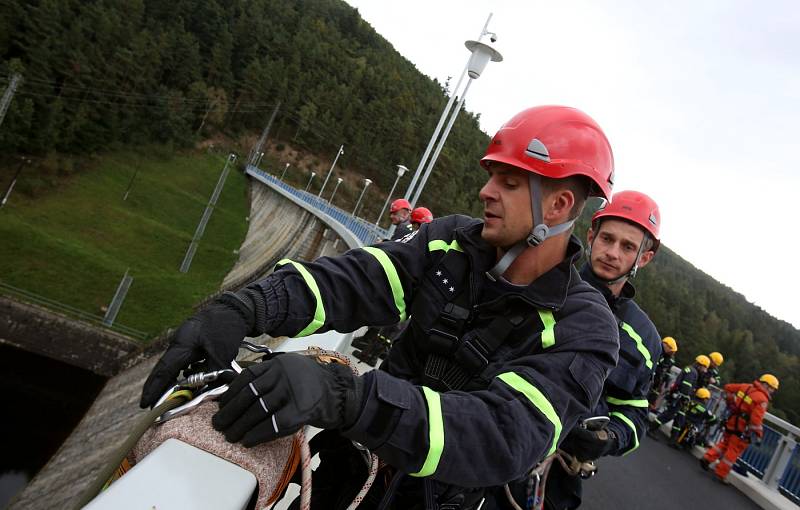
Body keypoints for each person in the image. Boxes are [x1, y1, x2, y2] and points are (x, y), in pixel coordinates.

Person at [140, 105, 620, 510]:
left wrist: (345, 397)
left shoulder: (585, 329)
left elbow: (499, 434)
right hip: (357, 468)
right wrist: (248, 306)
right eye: (493, 177)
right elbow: (357, 281)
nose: (486, 192)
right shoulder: (450, 243)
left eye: (510, 183)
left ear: (557, 206)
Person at [538, 190, 662, 510]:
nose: (612, 252)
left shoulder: (644, 338)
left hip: (557, 478)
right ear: (591, 236)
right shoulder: (543, 284)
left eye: (628, 246)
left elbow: (635, 413)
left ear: (643, 258)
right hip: (495, 440)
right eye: (607, 238)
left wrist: (608, 439)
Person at [700, 375, 779, 483]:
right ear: (765, 384)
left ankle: (708, 457)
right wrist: (757, 434)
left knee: (725, 443)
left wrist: (731, 401)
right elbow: (756, 419)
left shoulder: (745, 387)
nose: (772, 391)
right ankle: (720, 474)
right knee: (733, 450)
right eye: (772, 388)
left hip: (732, 420)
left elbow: (728, 387)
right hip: (742, 427)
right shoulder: (762, 399)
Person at [649, 354, 710, 438]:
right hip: (680, 397)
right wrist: (685, 397)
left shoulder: (690, 369)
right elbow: (686, 385)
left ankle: (672, 438)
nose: (705, 370)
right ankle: (651, 429)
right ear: (701, 365)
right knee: (668, 415)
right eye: (705, 367)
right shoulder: (693, 372)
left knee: (678, 418)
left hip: (678, 396)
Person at [648, 336, 678, 409]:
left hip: (657, 382)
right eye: (671, 351)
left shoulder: (667, 358)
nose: (672, 353)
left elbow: (665, 370)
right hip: (650, 379)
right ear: (666, 346)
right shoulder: (657, 352)